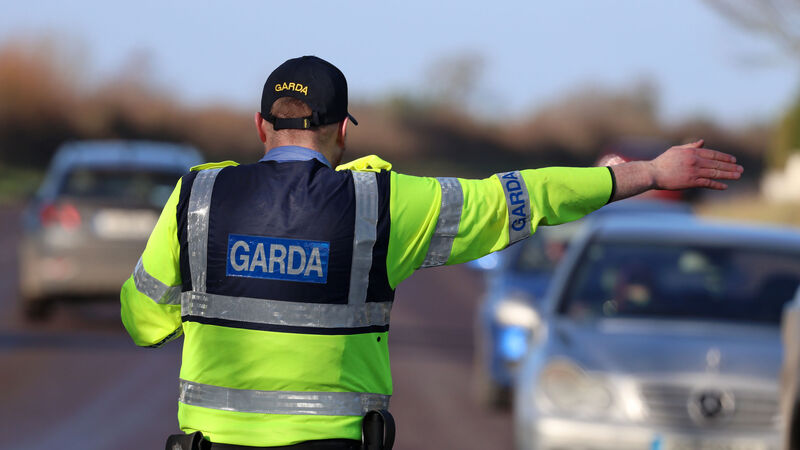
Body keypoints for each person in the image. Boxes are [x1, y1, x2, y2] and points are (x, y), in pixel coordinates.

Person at [120, 55, 743, 450]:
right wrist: (638, 175)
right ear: (341, 131)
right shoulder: (384, 205)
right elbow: (513, 198)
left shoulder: (195, 195)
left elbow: (141, 319)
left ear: (261, 127)